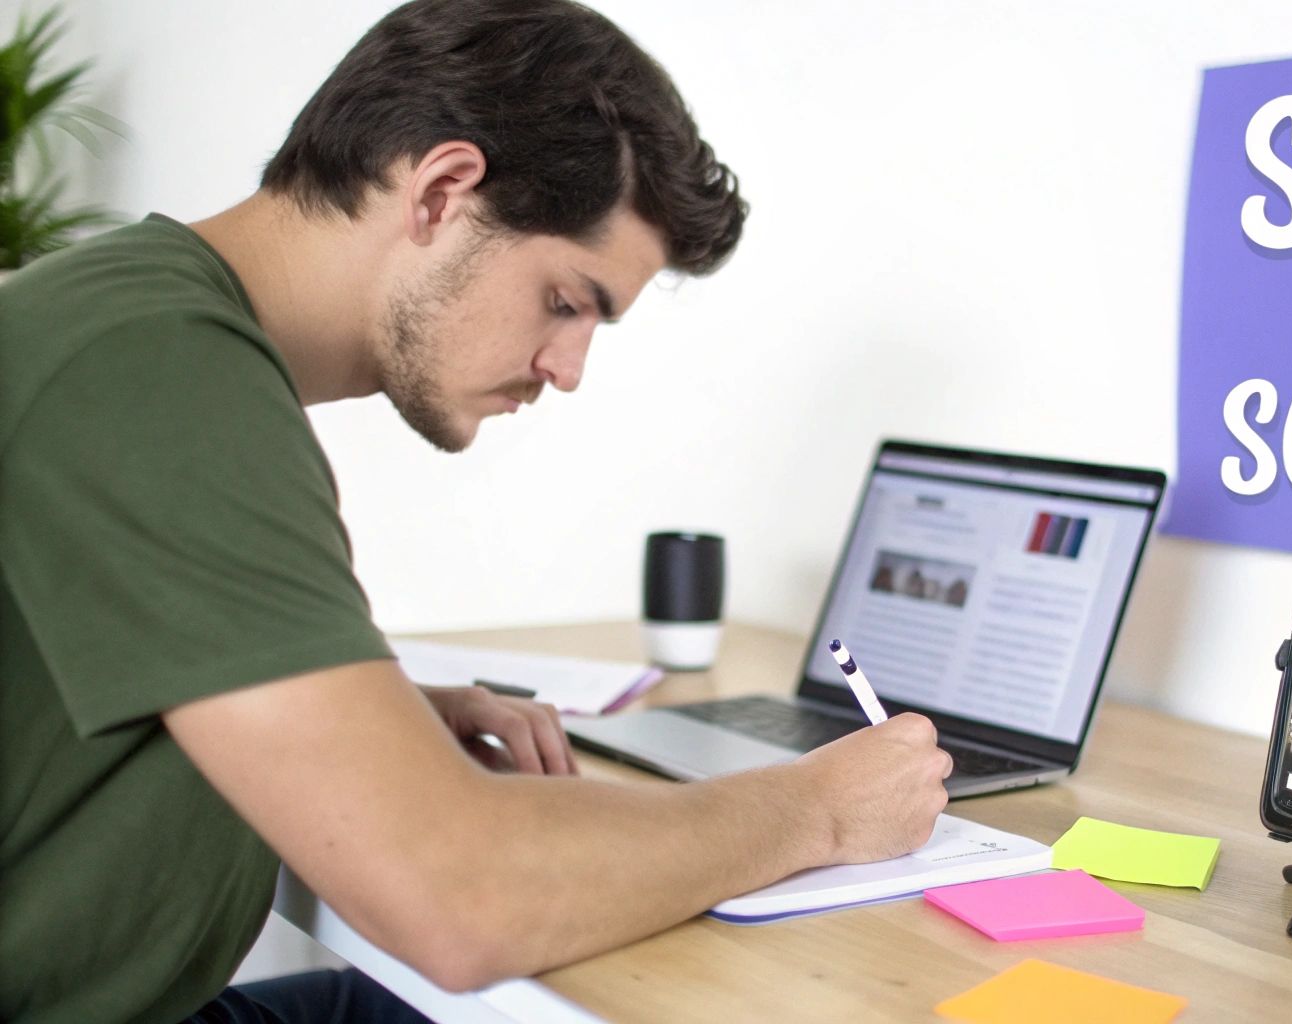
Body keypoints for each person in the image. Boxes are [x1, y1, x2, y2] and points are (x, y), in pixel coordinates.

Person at [0, 3, 953, 1022]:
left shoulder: (126, 317)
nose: (568, 368)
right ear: (441, 192)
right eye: (566, 300)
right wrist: (816, 808)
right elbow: (459, 898)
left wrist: (382, 719)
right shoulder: (159, 375)